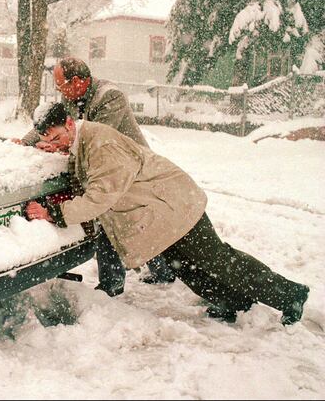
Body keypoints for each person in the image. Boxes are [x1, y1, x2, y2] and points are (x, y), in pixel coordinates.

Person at [24, 103, 309, 325]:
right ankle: (235, 303)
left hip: (175, 207)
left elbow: (100, 196)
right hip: (160, 214)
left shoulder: (101, 143)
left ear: (70, 124)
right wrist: (60, 152)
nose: (56, 142)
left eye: (57, 136)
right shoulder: (82, 141)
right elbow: (89, 175)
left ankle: (291, 295)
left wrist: (54, 214)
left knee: (219, 261)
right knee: (187, 268)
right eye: (49, 138)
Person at [16, 57, 175, 296]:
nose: (60, 91)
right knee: (127, 220)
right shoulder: (71, 96)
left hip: (131, 169)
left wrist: (60, 146)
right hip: (106, 168)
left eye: (61, 86)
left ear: (78, 81)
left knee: (122, 220)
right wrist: (26, 142)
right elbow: (55, 121)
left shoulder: (110, 97)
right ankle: (161, 269)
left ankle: (115, 283)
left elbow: (93, 138)